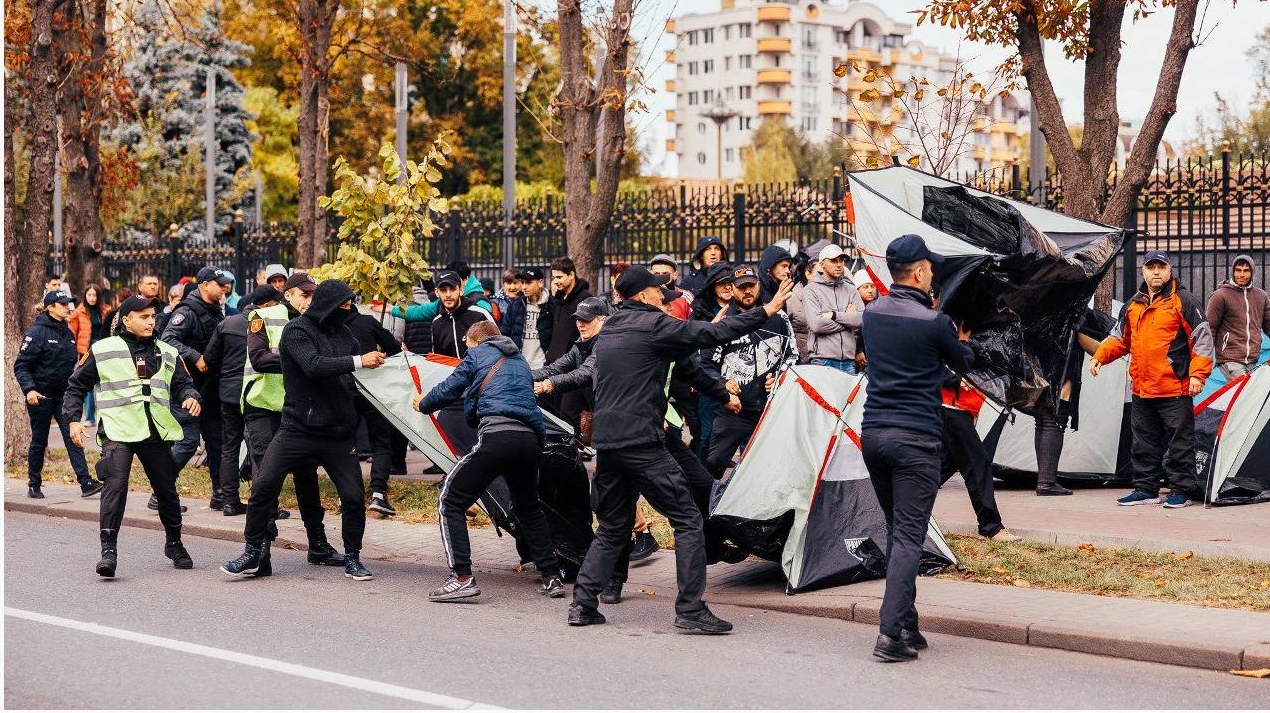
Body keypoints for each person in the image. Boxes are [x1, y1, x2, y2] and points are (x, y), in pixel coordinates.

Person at [567, 265, 794, 633]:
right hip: (642, 442)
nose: (663, 293)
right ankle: (690, 610)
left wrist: (721, 392)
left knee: (612, 525)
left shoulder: (609, 330)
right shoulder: (654, 325)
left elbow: (690, 367)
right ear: (641, 296)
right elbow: (713, 333)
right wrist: (766, 311)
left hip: (607, 445)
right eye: (657, 289)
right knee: (688, 518)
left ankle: (582, 604)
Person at [221, 279, 385, 581]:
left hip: (337, 433)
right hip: (297, 429)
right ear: (330, 305)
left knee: (352, 496)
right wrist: (358, 361)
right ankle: (251, 551)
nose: (349, 309)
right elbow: (313, 365)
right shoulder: (297, 331)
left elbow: (351, 380)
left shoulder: (345, 334)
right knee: (264, 485)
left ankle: (352, 558)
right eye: (344, 304)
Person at [860, 234, 974, 662]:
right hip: (916, 439)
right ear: (921, 270)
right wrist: (960, 336)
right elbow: (964, 364)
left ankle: (906, 624)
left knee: (897, 530)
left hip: (874, 435)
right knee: (909, 535)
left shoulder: (872, 314)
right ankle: (890, 635)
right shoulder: (933, 321)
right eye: (931, 267)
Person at [412, 321, 565, 601]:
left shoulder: (478, 353)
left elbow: (451, 386)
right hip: (529, 441)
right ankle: (552, 576)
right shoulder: (519, 360)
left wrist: (423, 403)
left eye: (467, 344)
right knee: (528, 508)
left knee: (450, 499)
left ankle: (461, 577)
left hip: (497, 436)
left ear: (474, 340)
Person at [62, 295, 202, 577]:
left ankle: (174, 543)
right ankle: (108, 552)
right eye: (143, 316)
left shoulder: (167, 352)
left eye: (153, 316)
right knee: (115, 486)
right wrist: (74, 420)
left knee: (166, 490)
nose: (151, 321)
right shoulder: (103, 349)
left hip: (154, 430)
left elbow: (184, 385)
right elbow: (76, 387)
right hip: (119, 429)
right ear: (127, 320)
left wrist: (191, 397)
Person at [1091, 250, 1214, 509]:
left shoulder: (1185, 300)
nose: (1156, 272)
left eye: (1161, 267)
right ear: (1143, 271)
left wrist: (1197, 375)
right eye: (1151, 267)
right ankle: (1146, 489)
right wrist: (1099, 356)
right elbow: (1119, 339)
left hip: (1175, 388)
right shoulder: (1132, 305)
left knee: (1180, 444)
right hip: (1142, 389)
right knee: (1143, 443)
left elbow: (1202, 340)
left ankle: (1180, 490)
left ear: (1169, 270)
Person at [238, 272, 345, 564]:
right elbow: (258, 358)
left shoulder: (319, 322)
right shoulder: (263, 316)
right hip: (263, 406)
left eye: (313, 295)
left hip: (298, 408)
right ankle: (261, 547)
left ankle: (318, 544)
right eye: (304, 295)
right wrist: (298, 358)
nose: (309, 301)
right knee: (265, 476)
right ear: (288, 294)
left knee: (306, 475)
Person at [701, 265, 796, 479]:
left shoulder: (779, 318)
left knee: (769, 468)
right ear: (732, 290)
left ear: (759, 285)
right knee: (714, 464)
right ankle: (707, 509)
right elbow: (705, 363)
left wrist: (780, 377)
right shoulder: (723, 322)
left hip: (769, 410)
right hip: (733, 410)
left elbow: (792, 356)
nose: (747, 291)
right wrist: (722, 383)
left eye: (751, 286)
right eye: (741, 287)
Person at [203, 285, 282, 515]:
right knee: (260, 448)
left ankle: (229, 501)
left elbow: (209, 357)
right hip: (256, 393)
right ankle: (265, 505)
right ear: (267, 305)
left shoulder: (228, 323)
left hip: (229, 392)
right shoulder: (268, 322)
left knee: (230, 445)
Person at [15, 291, 102, 498]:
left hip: (63, 396)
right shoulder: (36, 332)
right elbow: (21, 366)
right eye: (62, 304)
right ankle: (34, 484)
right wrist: (30, 390)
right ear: (50, 307)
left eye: (68, 303)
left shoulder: (66, 331)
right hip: (41, 397)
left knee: (73, 437)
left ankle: (85, 483)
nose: (67, 307)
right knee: (39, 440)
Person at [161, 266, 233, 511]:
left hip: (211, 388)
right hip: (188, 387)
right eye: (218, 283)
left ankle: (219, 494)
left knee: (217, 441)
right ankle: (160, 491)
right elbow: (167, 340)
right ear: (204, 285)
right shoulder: (187, 311)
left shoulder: (216, 311)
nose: (224, 288)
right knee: (187, 443)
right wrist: (195, 357)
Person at [341, 297, 404, 516]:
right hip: (372, 390)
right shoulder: (367, 322)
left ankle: (347, 494)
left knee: (345, 444)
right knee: (381, 442)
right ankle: (378, 493)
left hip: (342, 391)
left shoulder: (328, 325)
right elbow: (395, 349)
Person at [939, 373, 1019, 542]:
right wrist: (955, 379)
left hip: (959, 406)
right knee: (978, 465)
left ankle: (896, 507)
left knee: (940, 467)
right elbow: (928, 358)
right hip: (952, 407)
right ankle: (991, 527)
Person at [545, 257, 593, 427]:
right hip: (555, 365)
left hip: (574, 368)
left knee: (568, 414)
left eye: (559, 277)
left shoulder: (585, 298)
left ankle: (575, 452)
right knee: (554, 412)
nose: (555, 281)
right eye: (553, 278)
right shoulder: (558, 299)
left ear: (571, 275)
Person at [1206, 254, 1270, 380]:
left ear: (1252, 273)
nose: (1241, 275)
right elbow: (1210, 328)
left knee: (1249, 396)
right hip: (1229, 358)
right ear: (1232, 271)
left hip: (1252, 359)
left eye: (1246, 271)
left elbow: (1269, 325)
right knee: (1244, 391)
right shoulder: (1220, 295)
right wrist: (1206, 359)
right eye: (1238, 270)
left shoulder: (1261, 296)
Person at [804, 244, 865, 374]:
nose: (839, 264)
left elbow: (863, 319)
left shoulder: (850, 288)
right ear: (821, 264)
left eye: (841, 260)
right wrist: (849, 320)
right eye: (833, 261)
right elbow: (817, 325)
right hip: (822, 360)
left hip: (848, 361)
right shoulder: (810, 290)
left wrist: (834, 315)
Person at [392, 260, 492, 325]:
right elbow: (420, 311)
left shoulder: (480, 303)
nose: (448, 294)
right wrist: (392, 309)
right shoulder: (438, 317)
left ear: (464, 281)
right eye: (444, 289)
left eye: (453, 287)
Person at [69, 284, 115, 424]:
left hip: (104, 349)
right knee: (88, 383)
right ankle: (89, 416)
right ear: (85, 296)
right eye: (89, 295)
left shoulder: (107, 310)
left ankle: (106, 415)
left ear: (99, 296)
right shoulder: (79, 312)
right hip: (87, 351)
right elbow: (72, 333)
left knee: (106, 382)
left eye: (95, 295)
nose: (92, 298)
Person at [431, 270, 496, 359]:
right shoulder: (436, 323)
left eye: (453, 289)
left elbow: (500, 347)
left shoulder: (481, 314)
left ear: (461, 290)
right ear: (436, 292)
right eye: (443, 290)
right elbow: (438, 360)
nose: (448, 294)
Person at [500, 266, 553, 369]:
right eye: (523, 282)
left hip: (543, 365)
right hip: (519, 365)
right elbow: (504, 334)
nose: (524, 287)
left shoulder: (552, 305)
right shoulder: (516, 305)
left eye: (528, 283)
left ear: (540, 282)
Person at [787, 258, 818, 363]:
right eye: (819, 273)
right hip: (802, 360)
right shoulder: (792, 298)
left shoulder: (828, 296)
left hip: (825, 357)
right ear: (808, 274)